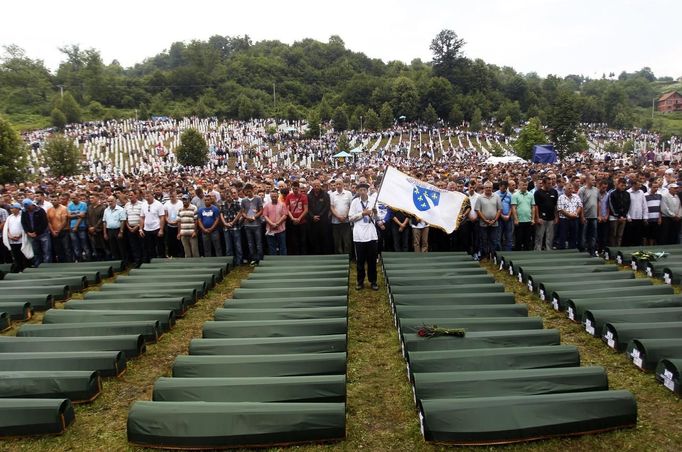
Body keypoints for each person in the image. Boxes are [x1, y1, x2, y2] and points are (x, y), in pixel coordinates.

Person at [349, 183, 378, 291]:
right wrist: (362, 213)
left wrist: (374, 213)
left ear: (367, 191)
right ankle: (360, 281)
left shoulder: (373, 201)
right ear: (357, 191)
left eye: (364, 190)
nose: (362, 192)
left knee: (372, 260)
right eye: (360, 190)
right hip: (359, 235)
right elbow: (350, 218)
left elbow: (377, 217)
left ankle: (373, 281)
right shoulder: (355, 202)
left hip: (371, 234)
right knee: (360, 261)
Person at [475, 181, 502, 260]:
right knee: (484, 240)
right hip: (483, 223)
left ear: (492, 188)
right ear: (484, 188)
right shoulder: (480, 197)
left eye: (490, 187)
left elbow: (499, 209)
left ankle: (493, 256)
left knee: (494, 240)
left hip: (494, 223)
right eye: (486, 187)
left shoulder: (497, 196)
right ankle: (485, 255)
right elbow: (478, 210)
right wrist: (485, 220)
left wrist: (494, 220)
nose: (488, 189)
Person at [20, 198, 50, 266]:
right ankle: (37, 266)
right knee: (36, 252)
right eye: (26, 207)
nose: (27, 209)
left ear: (32, 205)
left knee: (46, 252)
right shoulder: (24, 212)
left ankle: (47, 267)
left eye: (28, 207)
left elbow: (44, 223)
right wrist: (28, 232)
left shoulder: (40, 210)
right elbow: (23, 223)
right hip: (32, 235)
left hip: (43, 234)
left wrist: (36, 232)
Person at [2, 203, 30, 272]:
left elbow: (24, 227)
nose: (11, 210)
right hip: (12, 240)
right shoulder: (9, 217)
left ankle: (24, 269)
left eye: (13, 208)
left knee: (22, 255)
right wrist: (9, 236)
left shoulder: (22, 216)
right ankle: (18, 268)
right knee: (15, 255)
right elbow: (6, 228)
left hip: (21, 239)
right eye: (11, 208)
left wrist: (19, 236)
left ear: (17, 209)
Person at [534, 176, 558, 251]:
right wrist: (538, 218)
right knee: (539, 236)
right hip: (542, 218)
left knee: (550, 236)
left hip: (551, 218)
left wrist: (556, 217)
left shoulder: (554, 191)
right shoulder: (538, 193)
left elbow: (555, 205)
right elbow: (536, 206)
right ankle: (538, 251)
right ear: (543, 184)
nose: (550, 184)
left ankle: (549, 251)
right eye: (548, 183)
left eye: (551, 183)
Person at [241, 183, 263, 265]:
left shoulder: (258, 198)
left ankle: (260, 258)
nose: (248, 193)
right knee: (250, 243)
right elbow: (242, 212)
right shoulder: (243, 200)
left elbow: (261, 210)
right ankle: (253, 259)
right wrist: (247, 217)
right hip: (247, 225)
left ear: (253, 190)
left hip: (257, 224)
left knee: (258, 243)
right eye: (247, 192)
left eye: (250, 191)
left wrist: (255, 217)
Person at [102, 195, 127, 266]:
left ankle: (124, 262)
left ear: (115, 201)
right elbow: (104, 222)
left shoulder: (120, 209)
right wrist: (105, 233)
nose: (110, 202)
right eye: (108, 201)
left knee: (121, 247)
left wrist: (121, 232)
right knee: (113, 247)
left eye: (111, 201)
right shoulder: (106, 210)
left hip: (118, 230)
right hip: (109, 230)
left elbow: (123, 221)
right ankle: (117, 263)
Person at [329, 179, 352, 254]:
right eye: (337, 184)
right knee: (337, 241)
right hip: (336, 221)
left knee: (347, 241)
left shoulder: (348, 193)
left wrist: (345, 215)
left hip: (346, 221)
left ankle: (347, 258)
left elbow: (350, 205)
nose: (338, 186)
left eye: (339, 184)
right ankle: (338, 259)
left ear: (342, 184)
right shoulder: (332, 195)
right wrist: (338, 216)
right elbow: (331, 207)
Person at [220, 188, 243, 266]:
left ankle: (239, 261)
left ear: (232, 195)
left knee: (238, 245)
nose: (228, 198)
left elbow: (239, 213)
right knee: (228, 246)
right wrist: (225, 223)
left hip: (235, 227)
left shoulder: (236, 203)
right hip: (226, 228)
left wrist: (233, 222)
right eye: (227, 196)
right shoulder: (223, 204)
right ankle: (230, 263)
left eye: (229, 196)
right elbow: (221, 215)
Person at [307, 179, 330, 254]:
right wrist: (312, 216)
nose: (316, 187)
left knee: (324, 238)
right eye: (315, 186)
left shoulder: (325, 195)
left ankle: (324, 254)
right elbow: (307, 208)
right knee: (314, 238)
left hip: (323, 221)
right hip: (312, 221)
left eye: (318, 185)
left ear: (320, 185)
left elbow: (327, 207)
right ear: (312, 186)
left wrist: (319, 216)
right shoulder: (309, 195)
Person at [285, 181, 308, 255]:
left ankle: (303, 254)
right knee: (294, 240)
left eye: (296, 189)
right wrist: (292, 218)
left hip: (302, 221)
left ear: (299, 188)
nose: (295, 190)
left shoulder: (303, 196)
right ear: (292, 188)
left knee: (303, 240)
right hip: (292, 221)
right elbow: (287, 209)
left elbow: (306, 209)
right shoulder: (289, 196)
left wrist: (299, 218)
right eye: (294, 189)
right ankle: (296, 254)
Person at [557, 183, 583, 249]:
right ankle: (562, 250)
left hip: (574, 219)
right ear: (564, 189)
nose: (570, 190)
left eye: (571, 188)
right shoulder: (561, 197)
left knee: (574, 235)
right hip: (564, 219)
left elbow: (580, 206)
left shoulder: (576, 196)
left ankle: (573, 249)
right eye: (569, 188)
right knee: (563, 235)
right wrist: (569, 215)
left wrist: (576, 214)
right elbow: (560, 209)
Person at [263, 188, 288, 255]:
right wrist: (271, 224)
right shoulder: (267, 205)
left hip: (281, 229)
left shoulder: (282, 204)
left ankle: (283, 261)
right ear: (270, 197)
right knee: (272, 247)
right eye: (272, 196)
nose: (274, 198)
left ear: (277, 196)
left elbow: (285, 215)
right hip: (270, 229)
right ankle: (273, 262)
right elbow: (265, 216)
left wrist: (277, 223)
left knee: (282, 246)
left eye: (275, 196)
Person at [578, 175, 599, 255]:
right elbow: (580, 204)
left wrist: (598, 215)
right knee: (583, 235)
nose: (594, 181)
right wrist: (582, 216)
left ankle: (592, 250)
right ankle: (583, 251)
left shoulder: (596, 190)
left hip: (594, 216)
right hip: (585, 216)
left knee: (593, 235)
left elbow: (597, 203)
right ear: (587, 180)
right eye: (592, 180)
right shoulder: (582, 190)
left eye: (594, 180)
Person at [511, 179, 534, 251]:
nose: (525, 186)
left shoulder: (531, 195)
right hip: (519, 221)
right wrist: (515, 219)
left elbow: (533, 207)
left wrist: (533, 219)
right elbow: (513, 208)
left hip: (528, 220)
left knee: (527, 240)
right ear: (519, 186)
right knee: (518, 240)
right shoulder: (515, 195)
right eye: (523, 185)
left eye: (526, 185)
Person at [67, 193, 90, 262]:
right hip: (72, 227)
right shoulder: (69, 205)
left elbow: (82, 216)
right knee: (75, 245)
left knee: (84, 244)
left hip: (81, 226)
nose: (72, 200)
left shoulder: (83, 204)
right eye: (71, 198)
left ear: (78, 197)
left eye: (74, 198)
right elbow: (69, 216)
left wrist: (76, 226)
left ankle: (88, 259)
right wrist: (78, 214)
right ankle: (79, 259)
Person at [608, 177, 631, 247]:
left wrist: (623, 216)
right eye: (621, 185)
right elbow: (611, 206)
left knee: (620, 235)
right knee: (613, 234)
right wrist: (618, 215)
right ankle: (612, 249)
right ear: (617, 184)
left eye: (624, 186)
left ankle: (618, 248)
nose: (623, 187)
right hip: (614, 217)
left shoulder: (627, 194)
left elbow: (628, 205)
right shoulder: (612, 194)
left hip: (623, 217)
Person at [624, 179, 647, 247]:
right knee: (630, 235)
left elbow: (644, 205)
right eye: (638, 185)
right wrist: (628, 216)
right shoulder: (627, 192)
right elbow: (626, 206)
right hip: (631, 217)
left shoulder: (641, 192)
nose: (640, 186)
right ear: (633, 185)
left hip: (639, 217)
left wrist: (645, 216)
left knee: (638, 235)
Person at [124, 190, 144, 267]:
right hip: (130, 228)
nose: (130, 196)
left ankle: (143, 260)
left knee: (141, 244)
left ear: (136, 195)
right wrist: (128, 226)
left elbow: (142, 217)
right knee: (133, 245)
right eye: (129, 195)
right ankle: (137, 261)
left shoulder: (141, 204)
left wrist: (137, 226)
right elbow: (125, 217)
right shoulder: (127, 205)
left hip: (139, 228)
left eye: (131, 195)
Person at [495, 181, 513, 251]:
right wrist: (502, 216)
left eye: (505, 188)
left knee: (509, 236)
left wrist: (508, 215)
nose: (504, 190)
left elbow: (512, 206)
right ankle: (498, 253)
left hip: (508, 218)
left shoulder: (509, 195)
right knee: (498, 237)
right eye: (503, 188)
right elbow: (495, 207)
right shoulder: (495, 194)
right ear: (499, 187)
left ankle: (508, 252)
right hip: (499, 218)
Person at [86, 194, 106, 260]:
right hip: (91, 230)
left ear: (97, 198)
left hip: (99, 230)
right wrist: (89, 227)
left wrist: (94, 227)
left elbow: (102, 219)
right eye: (90, 198)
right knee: (95, 246)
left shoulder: (102, 207)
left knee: (103, 246)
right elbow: (87, 218)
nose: (90, 199)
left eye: (92, 198)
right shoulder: (89, 207)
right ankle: (98, 259)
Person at [164, 191, 183, 257]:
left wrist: (177, 221)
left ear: (176, 196)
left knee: (179, 241)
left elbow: (182, 214)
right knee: (170, 242)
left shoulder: (181, 203)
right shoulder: (166, 204)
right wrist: (168, 221)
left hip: (179, 225)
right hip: (170, 225)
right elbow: (165, 215)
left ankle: (180, 255)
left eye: (173, 196)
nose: (172, 198)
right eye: (170, 197)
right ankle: (171, 255)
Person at [645, 180, 662, 246]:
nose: (656, 189)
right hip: (648, 218)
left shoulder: (660, 195)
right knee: (647, 234)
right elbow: (644, 207)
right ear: (650, 187)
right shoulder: (645, 195)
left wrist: (660, 218)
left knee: (655, 235)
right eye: (654, 187)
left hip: (656, 218)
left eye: (657, 187)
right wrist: (645, 218)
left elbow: (660, 207)